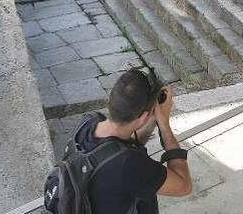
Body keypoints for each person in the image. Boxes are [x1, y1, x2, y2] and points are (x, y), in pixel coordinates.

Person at [73, 68, 193, 213]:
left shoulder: (88, 123)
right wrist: (164, 124)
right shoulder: (130, 165)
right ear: (143, 117)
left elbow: (115, 149)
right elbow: (183, 185)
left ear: (110, 98)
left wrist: (153, 117)